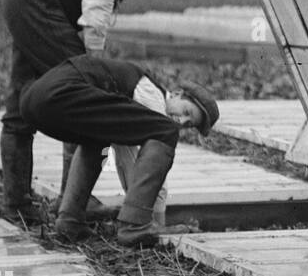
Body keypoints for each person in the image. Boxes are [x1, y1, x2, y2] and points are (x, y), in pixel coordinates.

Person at [0, 0, 275, 224]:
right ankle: (71, 207)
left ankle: (18, 204)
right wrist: (93, 57)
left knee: (26, 104)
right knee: (83, 98)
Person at [19, 56, 219, 246]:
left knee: (98, 136)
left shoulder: (132, 106)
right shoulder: (151, 95)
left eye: (188, 123)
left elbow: (124, 148)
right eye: (186, 111)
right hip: (60, 92)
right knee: (167, 131)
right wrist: (155, 219)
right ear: (176, 94)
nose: (181, 121)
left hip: (35, 100)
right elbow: (129, 160)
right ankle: (135, 226)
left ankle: (69, 220)